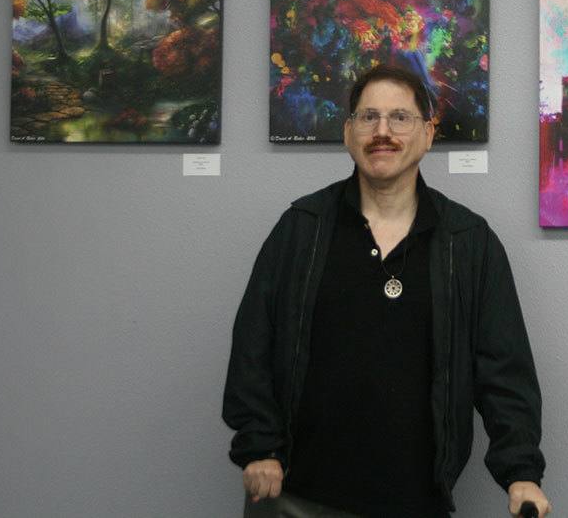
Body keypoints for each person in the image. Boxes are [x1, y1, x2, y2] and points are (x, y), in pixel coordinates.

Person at [223, 64, 550, 518]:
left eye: (400, 118)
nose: (382, 132)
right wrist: (258, 445)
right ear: (348, 133)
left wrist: (521, 475)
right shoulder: (302, 229)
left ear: (428, 134)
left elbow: (504, 371)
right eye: (368, 117)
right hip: (297, 497)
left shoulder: (468, 242)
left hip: (417, 502)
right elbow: (252, 346)